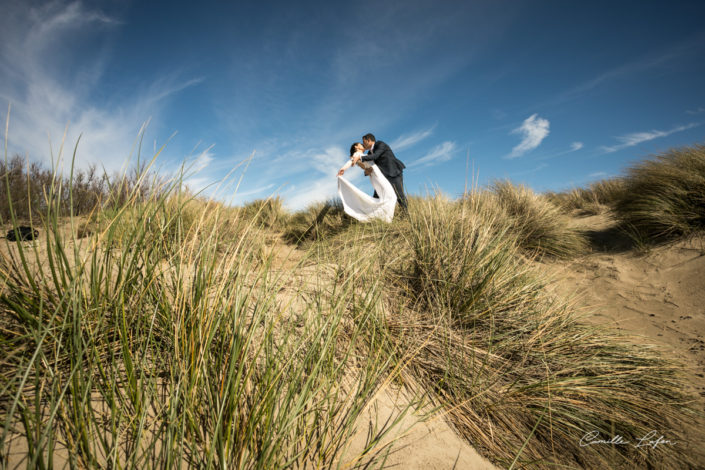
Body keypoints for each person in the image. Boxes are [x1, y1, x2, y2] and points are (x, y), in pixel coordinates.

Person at [337, 142, 396, 222]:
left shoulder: (362, 155)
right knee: (391, 196)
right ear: (356, 147)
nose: (362, 145)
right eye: (360, 144)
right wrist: (343, 169)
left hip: (375, 176)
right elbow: (351, 161)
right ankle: (385, 218)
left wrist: (366, 169)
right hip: (376, 176)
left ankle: (383, 218)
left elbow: (363, 165)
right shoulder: (357, 154)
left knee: (387, 197)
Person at [351, 133, 407, 213]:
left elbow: (375, 156)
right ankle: (375, 215)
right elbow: (372, 166)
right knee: (377, 197)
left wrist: (359, 157)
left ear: (369, 140)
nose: (363, 144)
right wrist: (366, 171)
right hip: (382, 177)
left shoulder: (380, 144)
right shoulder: (369, 153)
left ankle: (405, 215)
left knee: (399, 195)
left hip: (394, 173)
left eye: (364, 142)